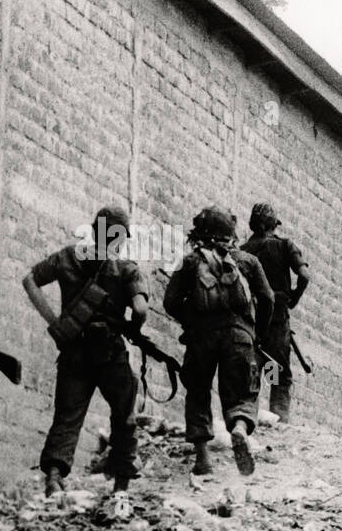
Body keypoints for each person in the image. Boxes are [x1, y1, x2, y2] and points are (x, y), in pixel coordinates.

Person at [24, 206, 146, 498]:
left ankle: (54, 478)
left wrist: (55, 322)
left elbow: (29, 280)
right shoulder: (126, 268)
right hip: (110, 353)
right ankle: (121, 484)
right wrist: (133, 327)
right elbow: (140, 308)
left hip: (74, 350)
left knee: (67, 415)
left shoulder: (68, 255)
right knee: (123, 415)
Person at [163, 206, 273, 477]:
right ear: (231, 234)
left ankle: (203, 459)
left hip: (202, 337)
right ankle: (238, 427)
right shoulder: (247, 261)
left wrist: (191, 321)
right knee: (242, 392)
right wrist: (257, 332)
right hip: (240, 336)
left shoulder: (191, 262)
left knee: (198, 391)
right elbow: (268, 298)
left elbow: (170, 301)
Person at [239, 203, 310, 423]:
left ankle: (250, 421)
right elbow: (305, 276)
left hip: (251, 319)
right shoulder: (285, 246)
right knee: (277, 372)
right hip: (277, 319)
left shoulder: (243, 251)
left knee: (254, 367)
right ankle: (279, 424)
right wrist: (293, 299)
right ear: (272, 224)